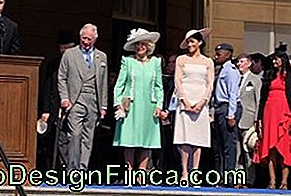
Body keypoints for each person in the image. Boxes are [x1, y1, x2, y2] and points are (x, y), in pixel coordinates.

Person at [57, 23, 107, 170]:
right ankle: (72, 168)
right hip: (75, 100)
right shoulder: (69, 54)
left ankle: (83, 168)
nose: (86, 42)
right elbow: (62, 77)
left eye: (89, 39)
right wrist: (65, 98)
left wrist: (103, 105)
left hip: (93, 101)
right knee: (75, 135)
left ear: (95, 39)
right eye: (84, 38)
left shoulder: (101, 57)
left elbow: (103, 83)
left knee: (88, 138)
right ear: (80, 37)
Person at [113, 28, 163, 173]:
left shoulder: (155, 62)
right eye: (137, 44)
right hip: (130, 106)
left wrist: (159, 105)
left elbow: (159, 87)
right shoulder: (127, 61)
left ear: (148, 46)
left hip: (149, 105)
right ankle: (129, 172)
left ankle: (142, 172)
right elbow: (119, 85)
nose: (139, 47)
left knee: (147, 140)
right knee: (130, 140)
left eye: (143, 44)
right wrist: (119, 106)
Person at [255, 44, 291, 190]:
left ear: (283, 60)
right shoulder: (268, 75)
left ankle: (285, 181)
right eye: (273, 60)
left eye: (277, 59)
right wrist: (259, 119)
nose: (274, 62)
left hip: (285, 113)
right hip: (269, 114)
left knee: (285, 148)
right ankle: (272, 181)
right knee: (270, 149)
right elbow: (262, 99)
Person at [173, 28, 214, 181]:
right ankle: (184, 171)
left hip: (201, 100)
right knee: (185, 138)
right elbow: (177, 80)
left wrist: (203, 101)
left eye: (192, 41)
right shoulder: (181, 60)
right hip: (185, 99)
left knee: (198, 139)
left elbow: (210, 83)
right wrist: (184, 100)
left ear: (200, 43)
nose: (190, 44)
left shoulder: (207, 61)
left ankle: (195, 171)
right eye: (188, 42)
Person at [38, 30, 75, 169]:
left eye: (68, 48)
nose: (64, 50)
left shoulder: (77, 64)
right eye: (62, 48)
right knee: (56, 141)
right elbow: (47, 88)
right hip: (55, 108)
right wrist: (46, 110)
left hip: (73, 107)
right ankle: (58, 169)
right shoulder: (53, 64)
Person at [212, 42, 242, 182]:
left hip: (227, 107)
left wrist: (231, 115)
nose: (216, 56)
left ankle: (230, 177)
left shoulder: (231, 70)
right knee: (220, 145)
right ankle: (221, 175)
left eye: (219, 54)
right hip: (219, 108)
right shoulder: (220, 69)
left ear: (228, 55)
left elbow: (233, 94)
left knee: (229, 144)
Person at [236, 53, 261, 188]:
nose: (239, 64)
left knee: (248, 151)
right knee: (237, 151)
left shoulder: (255, 79)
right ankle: (238, 178)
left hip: (248, 118)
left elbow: (258, 101)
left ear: (249, 63)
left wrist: (257, 119)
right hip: (236, 117)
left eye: (242, 62)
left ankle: (250, 180)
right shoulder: (235, 79)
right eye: (238, 62)